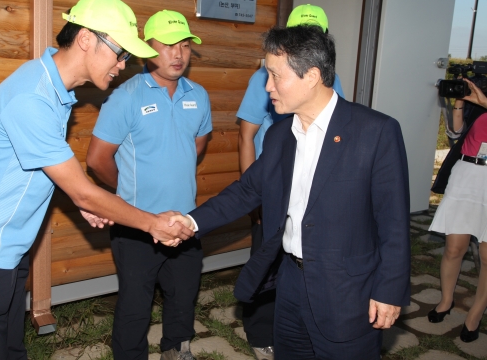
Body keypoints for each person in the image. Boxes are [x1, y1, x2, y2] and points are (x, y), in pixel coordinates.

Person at [0, 0, 194, 360]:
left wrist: (76, 197)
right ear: (87, 39)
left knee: (9, 350)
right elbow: (85, 191)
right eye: (120, 53)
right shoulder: (33, 98)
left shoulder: (54, 92)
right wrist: (151, 223)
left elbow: (36, 169)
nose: (124, 65)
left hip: (4, 253)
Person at [171, 25, 411, 359]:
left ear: (311, 76)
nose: (267, 86)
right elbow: (246, 191)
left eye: (274, 76)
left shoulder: (376, 132)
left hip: (347, 294)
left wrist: (390, 290)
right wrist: (189, 223)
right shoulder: (280, 135)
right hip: (290, 285)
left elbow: (394, 224)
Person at [86, 10, 211, 360]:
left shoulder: (198, 96)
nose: (179, 54)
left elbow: (196, 146)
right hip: (137, 225)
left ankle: (176, 348)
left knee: (184, 293)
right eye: (169, 45)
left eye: (185, 45)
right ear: (146, 49)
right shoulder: (125, 96)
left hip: (186, 221)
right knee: (135, 302)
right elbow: (97, 159)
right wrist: (125, 193)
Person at [236, 3, 344, 360]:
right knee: (266, 262)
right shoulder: (267, 81)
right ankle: (260, 332)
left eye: (313, 35)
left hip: (314, 196)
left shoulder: (331, 81)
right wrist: (257, 197)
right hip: (275, 186)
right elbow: (246, 135)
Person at [428, 79, 487, 343]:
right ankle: (446, 300)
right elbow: (456, 134)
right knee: (454, 247)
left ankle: (475, 313)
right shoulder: (479, 92)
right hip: (466, 174)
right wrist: (460, 105)